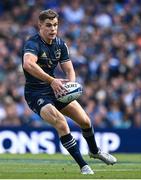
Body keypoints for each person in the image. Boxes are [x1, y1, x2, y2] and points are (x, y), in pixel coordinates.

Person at [22, 9, 117, 175]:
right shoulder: (32, 43)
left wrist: (71, 85)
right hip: (36, 93)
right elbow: (28, 65)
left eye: (56, 25)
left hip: (56, 89)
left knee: (85, 121)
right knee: (61, 123)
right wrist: (52, 80)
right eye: (49, 25)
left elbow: (69, 69)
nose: (53, 29)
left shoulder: (60, 44)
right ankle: (83, 166)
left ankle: (94, 151)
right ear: (40, 26)